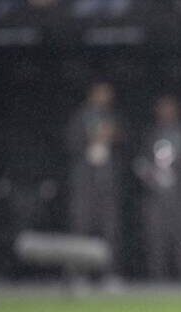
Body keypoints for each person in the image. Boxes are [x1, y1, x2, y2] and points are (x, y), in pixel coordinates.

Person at [134, 95, 181, 279]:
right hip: (155, 197)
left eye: (170, 108)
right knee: (156, 239)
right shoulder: (149, 135)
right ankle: (157, 279)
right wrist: (151, 178)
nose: (166, 112)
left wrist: (177, 172)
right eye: (163, 108)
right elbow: (139, 162)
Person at [66, 81, 124, 277]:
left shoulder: (113, 117)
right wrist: (91, 139)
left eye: (107, 94)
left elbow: (125, 143)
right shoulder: (80, 117)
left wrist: (113, 136)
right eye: (100, 93)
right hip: (84, 184)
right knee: (81, 229)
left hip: (107, 184)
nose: (104, 98)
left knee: (110, 231)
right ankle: (79, 275)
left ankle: (109, 274)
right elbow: (71, 143)